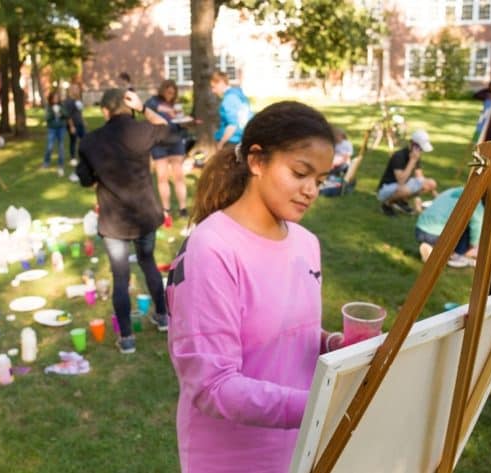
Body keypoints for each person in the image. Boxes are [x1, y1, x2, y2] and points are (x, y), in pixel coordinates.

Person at [166, 101, 345, 472]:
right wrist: (319, 406)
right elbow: (212, 385)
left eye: (321, 179)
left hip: (299, 444)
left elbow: (280, 333)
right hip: (231, 454)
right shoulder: (211, 249)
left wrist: (330, 344)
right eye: (300, 173)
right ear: (257, 161)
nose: (311, 190)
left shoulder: (306, 242)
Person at [75, 89, 172, 354]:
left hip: (114, 219)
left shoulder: (90, 141)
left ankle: (127, 338)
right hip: (144, 215)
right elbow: (167, 129)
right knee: (147, 262)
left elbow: (85, 179)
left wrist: (101, 173)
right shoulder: (142, 130)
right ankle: (163, 317)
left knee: (120, 276)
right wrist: (144, 109)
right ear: (127, 107)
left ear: (105, 111)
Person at [145, 80, 190, 218]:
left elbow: (180, 124)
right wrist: (168, 110)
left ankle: (183, 208)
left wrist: (186, 123)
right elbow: (147, 107)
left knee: (179, 177)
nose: (171, 95)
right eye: (168, 92)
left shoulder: (176, 105)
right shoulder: (154, 102)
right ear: (163, 90)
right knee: (162, 178)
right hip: (159, 144)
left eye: (173, 92)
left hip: (176, 143)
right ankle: (166, 209)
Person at [415, 186, 482, 268]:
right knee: (467, 225)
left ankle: (432, 249)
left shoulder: (451, 191)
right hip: (437, 235)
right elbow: (476, 226)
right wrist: (473, 246)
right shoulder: (477, 200)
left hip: (420, 229)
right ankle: (456, 254)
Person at [376, 128, 438, 215]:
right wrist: (412, 161)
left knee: (431, 183)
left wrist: (435, 194)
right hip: (386, 188)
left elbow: (420, 178)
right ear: (413, 145)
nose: (421, 151)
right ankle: (387, 204)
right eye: (421, 149)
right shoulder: (399, 156)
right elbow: (401, 181)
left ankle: (400, 201)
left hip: (402, 185)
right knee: (406, 190)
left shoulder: (416, 155)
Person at [210, 71, 252, 149]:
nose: (213, 91)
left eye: (213, 87)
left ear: (221, 83)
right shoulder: (239, 95)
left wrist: (221, 143)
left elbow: (232, 125)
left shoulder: (229, 99)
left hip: (232, 141)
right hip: (242, 138)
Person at [43, 89, 69, 175]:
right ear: (51, 99)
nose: (56, 99)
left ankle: (60, 164)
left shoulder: (62, 105)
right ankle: (46, 162)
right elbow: (47, 118)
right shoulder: (48, 107)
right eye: (54, 98)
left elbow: (67, 114)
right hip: (52, 128)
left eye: (57, 98)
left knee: (61, 146)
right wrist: (53, 113)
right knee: (49, 146)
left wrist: (60, 112)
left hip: (61, 128)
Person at [65, 83, 87, 181]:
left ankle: (83, 156)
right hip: (73, 124)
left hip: (80, 123)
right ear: (71, 90)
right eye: (76, 89)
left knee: (84, 140)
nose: (77, 90)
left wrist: (83, 121)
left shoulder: (78, 100)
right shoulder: (68, 101)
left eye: (78, 89)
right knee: (73, 141)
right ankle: (73, 158)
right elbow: (68, 115)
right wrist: (71, 126)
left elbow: (79, 112)